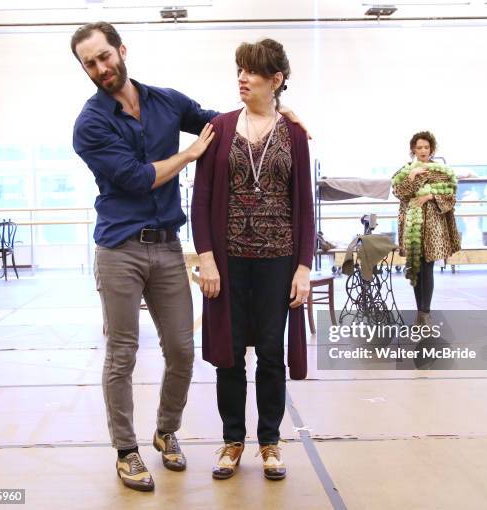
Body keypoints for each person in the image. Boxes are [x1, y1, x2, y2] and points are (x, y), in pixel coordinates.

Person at [71, 22, 309, 492]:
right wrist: (190, 155)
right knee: (123, 352)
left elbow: (221, 121)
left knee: (182, 350)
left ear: (121, 50)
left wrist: (280, 113)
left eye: (104, 56)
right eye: (89, 63)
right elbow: (139, 177)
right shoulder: (91, 124)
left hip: (166, 247)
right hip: (119, 248)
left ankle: (166, 431)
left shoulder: (164, 100)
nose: (100, 68)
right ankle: (126, 450)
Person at [191, 38, 314, 481]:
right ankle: (231, 440)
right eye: (239, 70)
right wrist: (206, 258)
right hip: (228, 262)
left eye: (252, 72)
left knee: (269, 355)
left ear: (276, 80)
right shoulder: (221, 128)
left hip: (278, 262)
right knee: (228, 355)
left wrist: (303, 266)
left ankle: (270, 442)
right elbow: (201, 197)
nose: (242, 78)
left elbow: (305, 204)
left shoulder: (295, 134)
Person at [391, 131, 460, 325]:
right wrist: (412, 176)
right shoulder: (405, 171)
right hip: (412, 224)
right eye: (419, 147)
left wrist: (430, 196)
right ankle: (420, 312)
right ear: (413, 149)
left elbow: (451, 197)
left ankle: (425, 313)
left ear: (432, 149)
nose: (423, 150)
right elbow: (399, 192)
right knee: (416, 266)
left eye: (426, 147)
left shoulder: (441, 171)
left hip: (432, 226)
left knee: (427, 266)